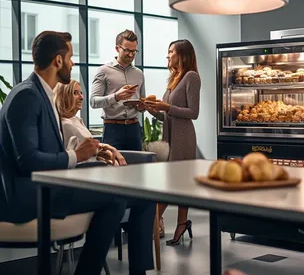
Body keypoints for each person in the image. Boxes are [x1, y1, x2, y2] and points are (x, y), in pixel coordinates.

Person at [0, 30, 155, 275]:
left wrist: (88, 156)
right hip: (27, 196)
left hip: (47, 186)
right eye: (70, 58)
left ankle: (138, 271)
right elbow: (27, 161)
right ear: (58, 61)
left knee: (143, 196)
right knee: (115, 198)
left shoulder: (43, 95)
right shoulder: (26, 96)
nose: (73, 63)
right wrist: (78, 156)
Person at [145, 39, 201, 245]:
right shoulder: (174, 79)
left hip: (183, 138)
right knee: (179, 184)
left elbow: (193, 113)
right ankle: (181, 224)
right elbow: (168, 117)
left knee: (173, 184)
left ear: (182, 55)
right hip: (171, 137)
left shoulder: (191, 77)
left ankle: (151, 221)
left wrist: (166, 107)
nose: (167, 55)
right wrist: (152, 110)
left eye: (171, 51)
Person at [90, 29, 145, 150]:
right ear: (117, 48)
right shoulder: (103, 71)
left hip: (134, 128)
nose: (131, 55)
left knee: (137, 167)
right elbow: (93, 102)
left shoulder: (139, 74)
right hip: (112, 129)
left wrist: (142, 106)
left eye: (134, 51)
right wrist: (116, 97)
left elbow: (142, 102)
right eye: (127, 50)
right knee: (112, 167)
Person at [54, 79, 126, 165]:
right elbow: (87, 155)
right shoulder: (66, 125)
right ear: (63, 97)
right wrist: (109, 150)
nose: (81, 97)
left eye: (81, 93)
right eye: (75, 93)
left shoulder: (76, 120)